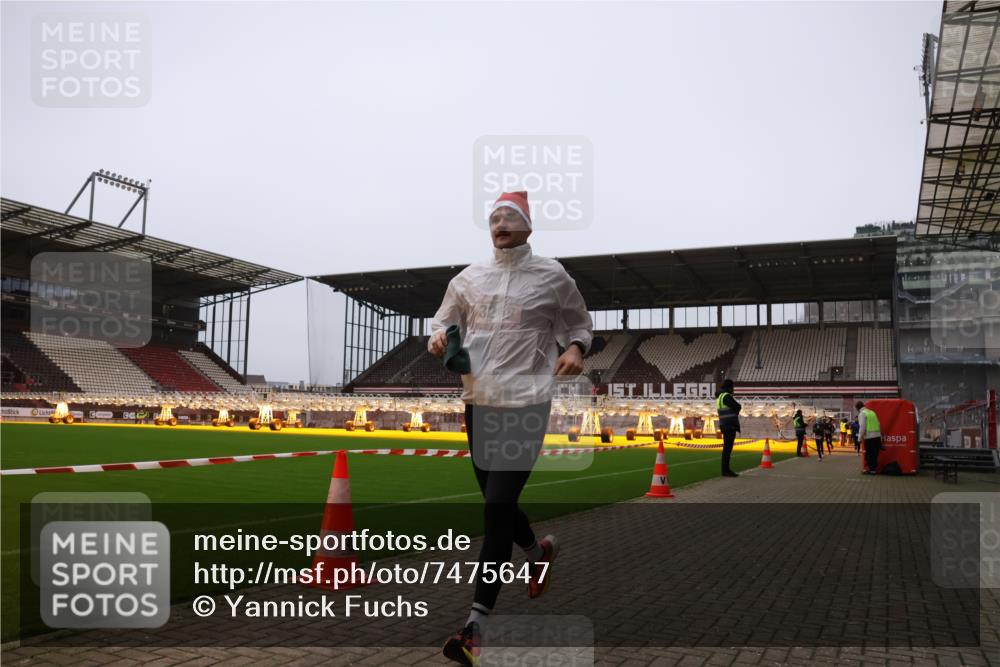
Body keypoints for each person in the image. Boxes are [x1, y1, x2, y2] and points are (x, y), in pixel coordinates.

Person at [429, 191, 593, 666]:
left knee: (497, 507)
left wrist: (576, 348)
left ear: (527, 227)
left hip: (526, 403)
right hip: (478, 401)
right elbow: (441, 321)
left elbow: (578, 323)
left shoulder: (552, 275)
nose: (500, 223)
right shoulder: (468, 279)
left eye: (510, 217)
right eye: (494, 217)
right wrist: (438, 338)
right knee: (496, 503)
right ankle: (536, 552)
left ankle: (474, 629)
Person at [715, 379, 742, 476]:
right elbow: (737, 406)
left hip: (724, 424)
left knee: (726, 448)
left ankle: (725, 470)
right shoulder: (726, 396)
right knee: (727, 449)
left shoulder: (719, 397)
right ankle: (726, 470)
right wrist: (736, 411)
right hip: (729, 425)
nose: (733, 389)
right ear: (729, 387)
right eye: (732, 387)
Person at [857, 401, 883, 474]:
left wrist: (859, 438)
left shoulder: (862, 414)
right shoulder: (872, 412)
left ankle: (871, 469)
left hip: (869, 437)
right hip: (877, 436)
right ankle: (873, 469)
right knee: (875, 453)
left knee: (869, 454)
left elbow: (862, 427)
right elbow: (878, 424)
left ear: (858, 408)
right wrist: (880, 437)